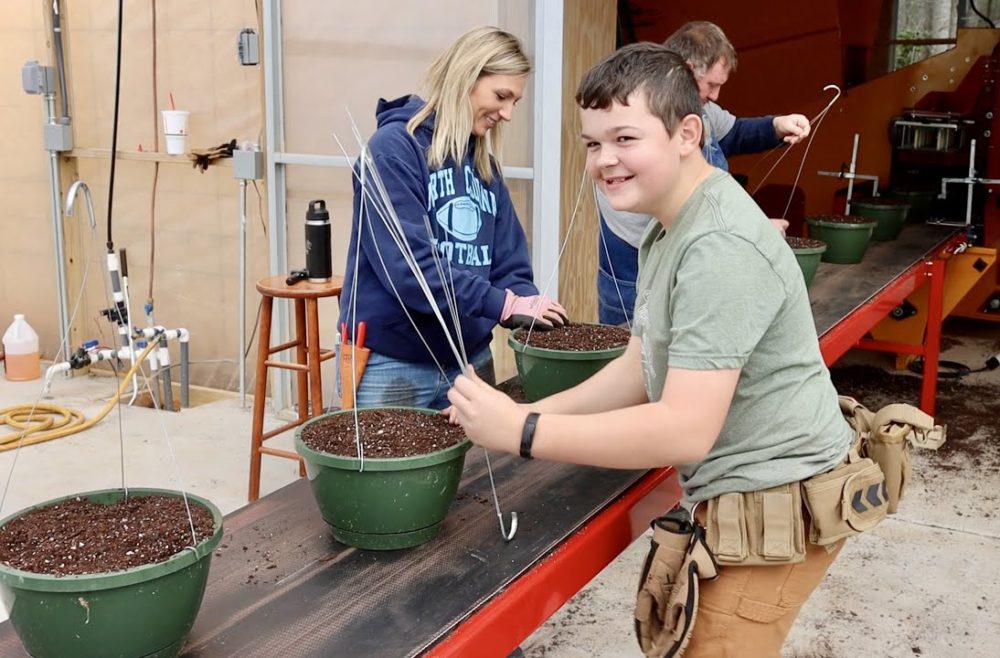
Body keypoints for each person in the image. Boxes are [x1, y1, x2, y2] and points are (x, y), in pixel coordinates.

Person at [448, 43, 855, 656]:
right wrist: (529, 416)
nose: (604, 160)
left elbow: (686, 429)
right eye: (592, 144)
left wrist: (525, 432)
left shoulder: (718, 245)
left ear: (688, 132)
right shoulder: (667, 227)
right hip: (734, 491)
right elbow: (641, 367)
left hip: (777, 500)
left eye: (625, 139)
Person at [339, 26, 567, 411]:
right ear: (467, 77)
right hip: (393, 360)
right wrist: (504, 305)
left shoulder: (484, 166)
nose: (508, 113)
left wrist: (530, 307)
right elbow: (410, 269)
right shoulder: (393, 150)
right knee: (383, 472)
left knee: (479, 471)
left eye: (515, 101)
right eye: (501, 96)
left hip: (469, 360)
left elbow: (508, 263)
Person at [597, 20, 812, 326]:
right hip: (631, 257)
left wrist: (777, 125)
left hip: (688, 250)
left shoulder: (700, 109)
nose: (716, 95)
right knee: (630, 346)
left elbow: (734, 132)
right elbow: (680, 196)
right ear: (686, 69)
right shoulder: (644, 114)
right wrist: (751, 229)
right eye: (711, 85)